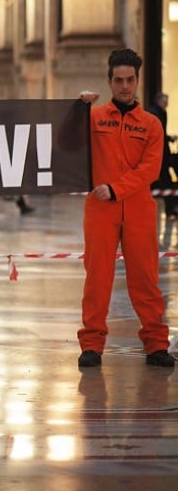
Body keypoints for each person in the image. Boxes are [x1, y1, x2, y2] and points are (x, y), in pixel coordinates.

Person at [76, 48, 174, 368]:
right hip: (99, 209)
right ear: (109, 81)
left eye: (130, 80)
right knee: (97, 278)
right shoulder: (93, 118)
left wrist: (116, 189)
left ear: (137, 80)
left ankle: (156, 345)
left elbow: (150, 169)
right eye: (118, 80)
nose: (125, 86)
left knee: (145, 279)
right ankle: (91, 345)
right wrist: (78, 110)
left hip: (137, 208)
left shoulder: (151, 124)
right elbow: (66, 144)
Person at [145, 92, 178, 218]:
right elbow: (157, 134)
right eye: (165, 102)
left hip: (159, 153)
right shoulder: (155, 113)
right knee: (164, 180)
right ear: (159, 101)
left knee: (161, 180)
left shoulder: (157, 112)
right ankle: (170, 210)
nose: (167, 105)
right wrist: (168, 139)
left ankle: (170, 210)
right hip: (158, 154)